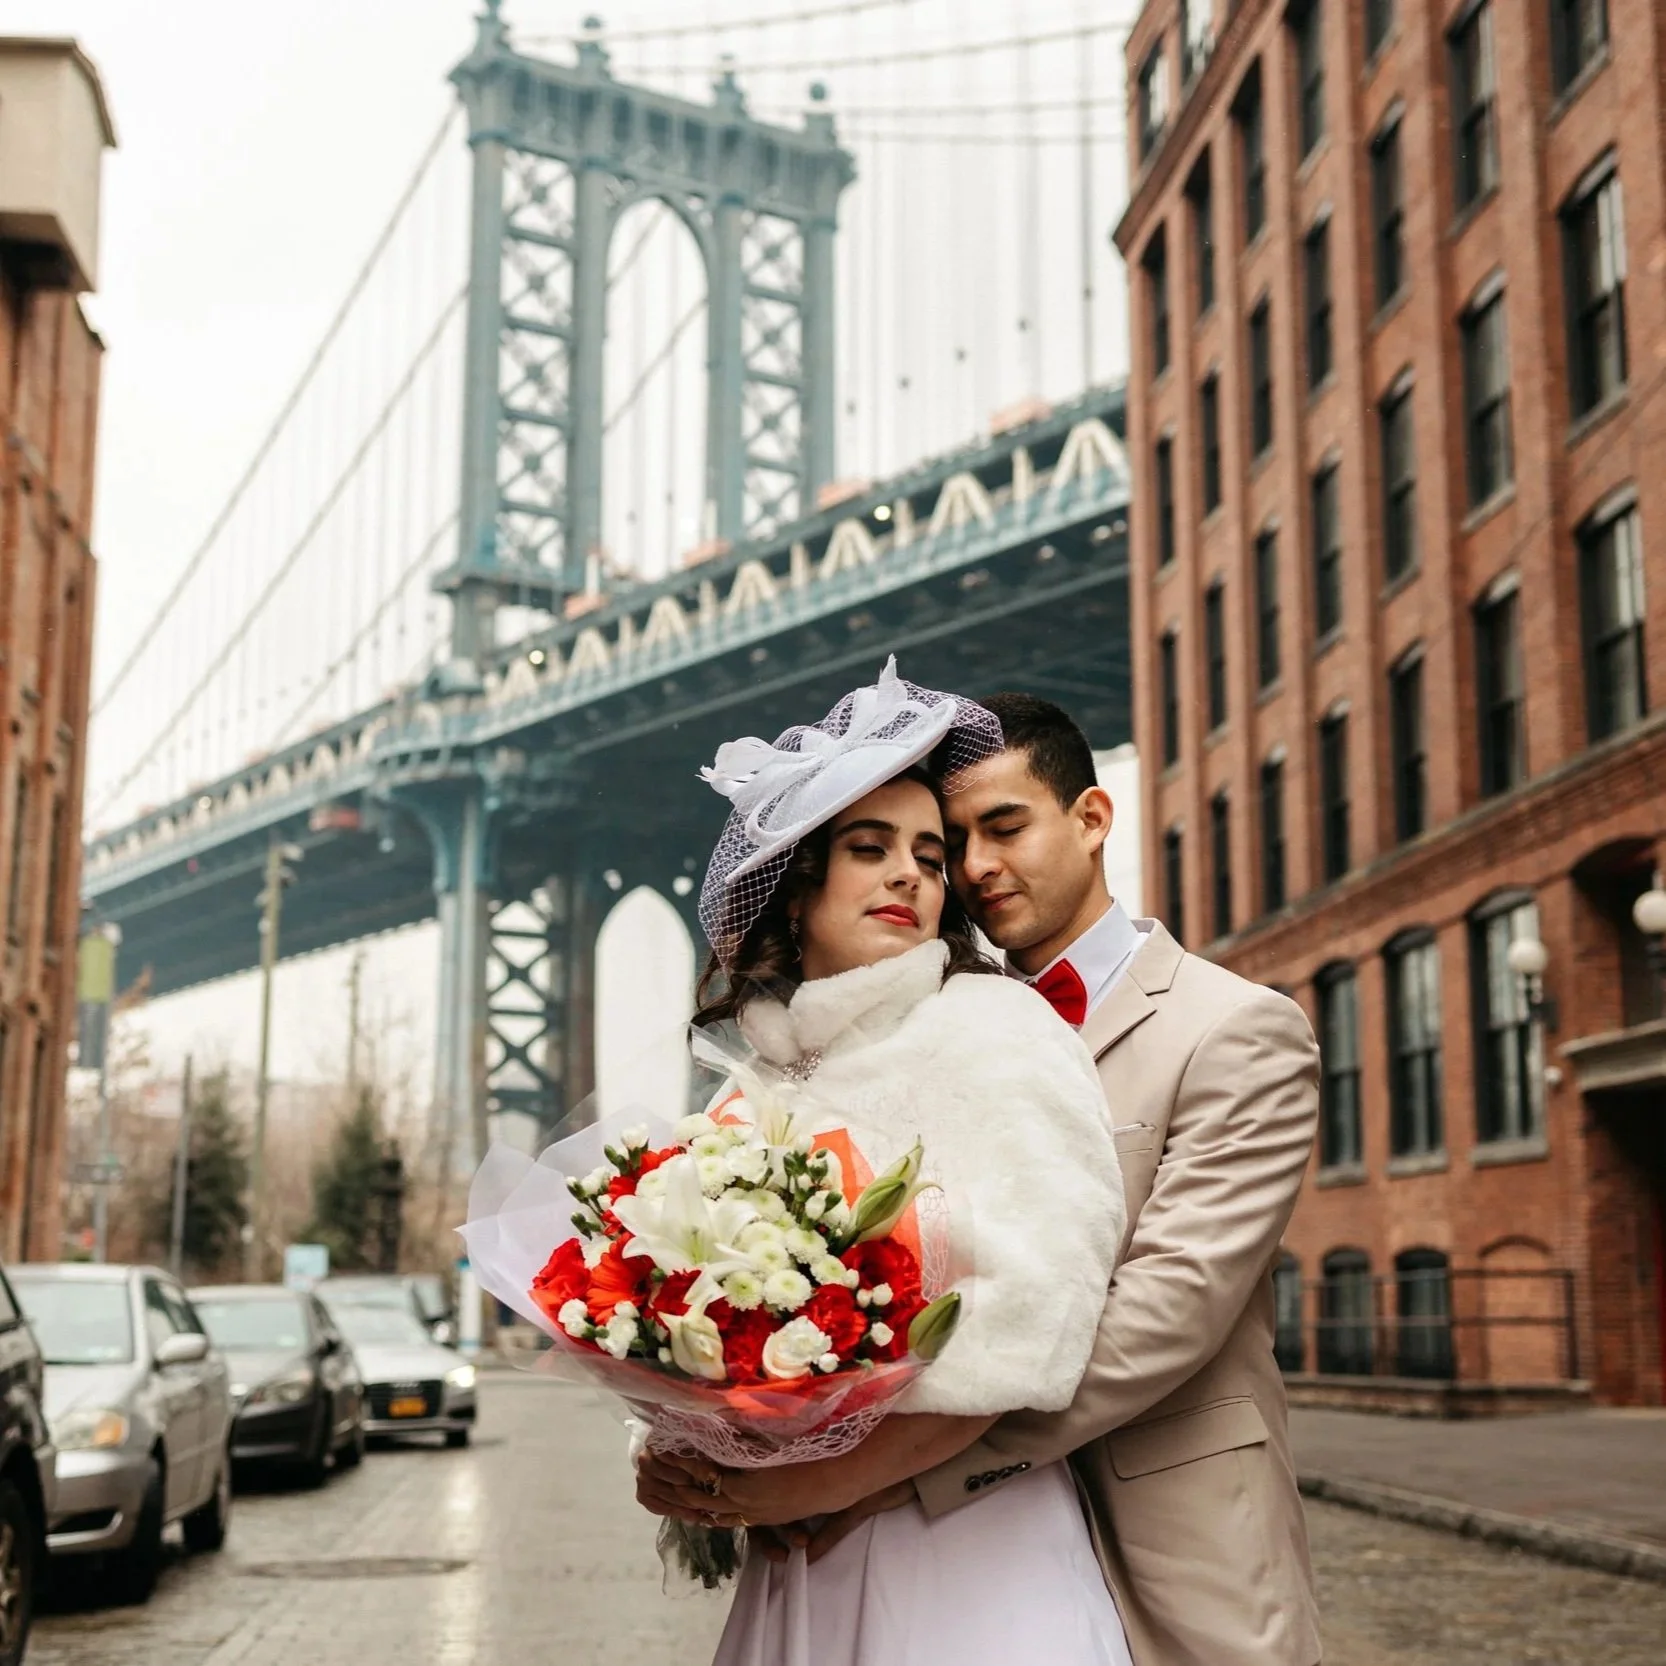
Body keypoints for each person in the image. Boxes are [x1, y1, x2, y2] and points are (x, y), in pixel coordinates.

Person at [642, 692, 1323, 1666]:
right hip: (874, 1531)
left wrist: (876, 1470)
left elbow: (1171, 1307)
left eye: (1001, 828)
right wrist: (709, 1445)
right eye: (949, 844)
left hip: (1149, 1525)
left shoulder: (1231, 1029)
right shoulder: (863, 1039)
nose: (968, 868)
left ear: (1091, 819)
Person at [675, 661, 1136, 1666]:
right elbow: (677, 1313)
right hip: (796, 1558)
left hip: (965, 1555)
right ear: (797, 883)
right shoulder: (747, 1089)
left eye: (929, 856)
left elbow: (1035, 1321)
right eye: (869, 847)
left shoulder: (997, 1030)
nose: (912, 876)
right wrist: (680, 1457)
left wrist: (833, 1479)